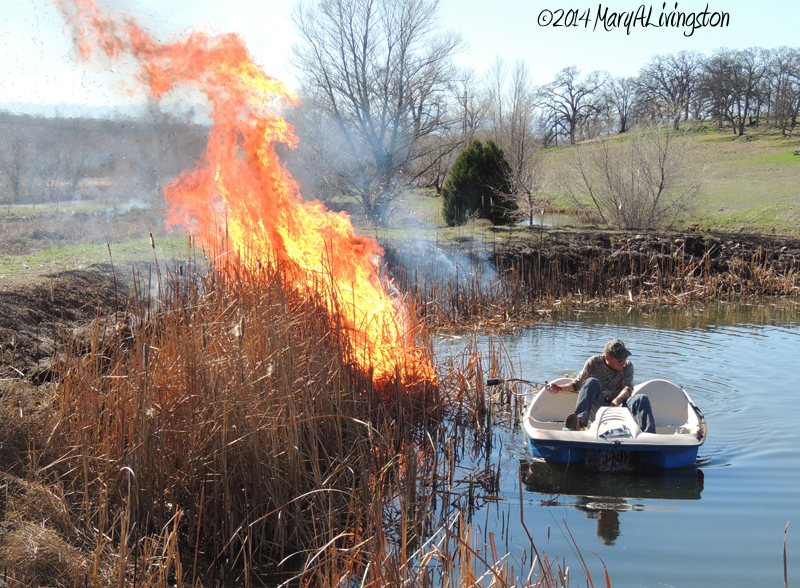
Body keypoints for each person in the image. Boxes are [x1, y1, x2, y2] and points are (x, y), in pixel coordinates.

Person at [546, 339, 656, 433]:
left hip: (619, 406)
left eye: (625, 357)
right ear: (608, 358)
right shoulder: (594, 362)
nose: (624, 361)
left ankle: (648, 436)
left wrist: (616, 402)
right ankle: (578, 423)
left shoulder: (628, 366)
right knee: (591, 382)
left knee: (641, 399)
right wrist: (558, 388)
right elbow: (577, 384)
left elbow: (628, 388)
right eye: (620, 359)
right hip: (599, 406)